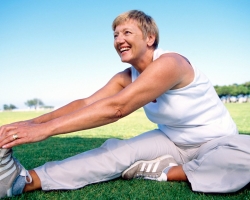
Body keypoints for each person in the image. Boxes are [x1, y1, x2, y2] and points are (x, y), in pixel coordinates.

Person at [0, 10, 249, 198]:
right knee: (116, 152)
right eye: (116, 34)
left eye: (127, 33)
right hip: (172, 141)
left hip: (217, 142)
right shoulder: (125, 77)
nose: (119, 40)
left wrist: (45, 131)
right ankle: (23, 180)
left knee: (244, 154)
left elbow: (117, 108)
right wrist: (32, 122)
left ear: (150, 38)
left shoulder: (171, 63)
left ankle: (168, 171)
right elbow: (86, 103)